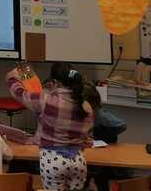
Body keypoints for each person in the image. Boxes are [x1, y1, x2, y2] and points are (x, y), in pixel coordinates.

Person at [7, 62, 94, 191]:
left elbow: (21, 93)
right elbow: (87, 137)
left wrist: (12, 79)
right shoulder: (86, 106)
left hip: (53, 161)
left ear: (55, 82)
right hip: (78, 161)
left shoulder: (46, 100)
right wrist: (26, 72)